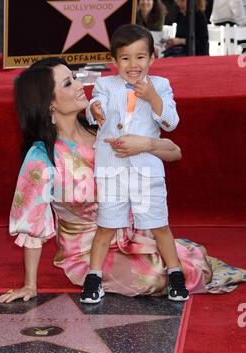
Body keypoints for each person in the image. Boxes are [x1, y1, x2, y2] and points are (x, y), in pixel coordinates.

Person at [0, 57, 246, 304]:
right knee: (153, 278)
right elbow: (32, 222)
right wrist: (30, 284)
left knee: (181, 266)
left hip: (132, 232)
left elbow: (175, 152)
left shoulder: (104, 129)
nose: (79, 85)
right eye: (67, 84)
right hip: (88, 251)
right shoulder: (42, 158)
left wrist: (147, 144)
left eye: (74, 78)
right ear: (49, 104)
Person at [80, 24, 189, 304]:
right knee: (106, 225)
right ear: (113, 61)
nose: (133, 64)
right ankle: (93, 277)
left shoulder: (161, 86)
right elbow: (94, 106)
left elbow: (171, 123)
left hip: (146, 171)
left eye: (140, 57)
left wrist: (152, 97)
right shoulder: (105, 84)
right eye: (125, 58)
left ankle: (175, 272)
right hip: (112, 170)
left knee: (159, 224)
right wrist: (94, 110)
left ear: (152, 58)